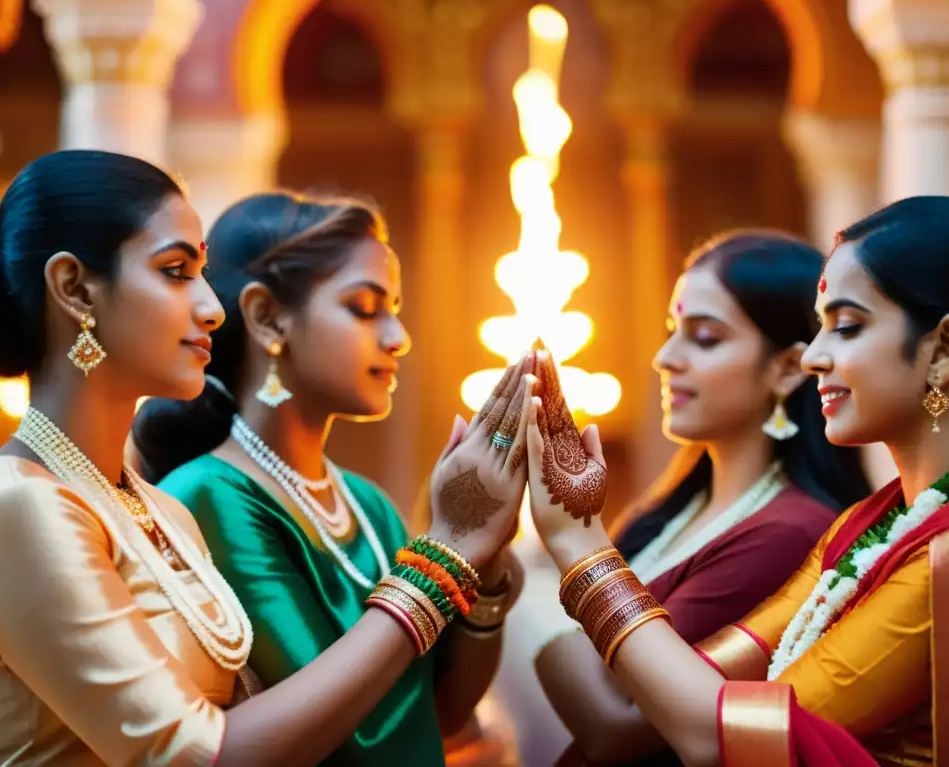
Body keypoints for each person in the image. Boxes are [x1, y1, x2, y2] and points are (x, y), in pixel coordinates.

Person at [0, 150, 530, 766]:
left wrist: (476, 560)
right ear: (74, 287)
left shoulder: (165, 513)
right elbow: (200, 756)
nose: (212, 308)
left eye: (201, 271)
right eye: (175, 270)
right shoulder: (25, 503)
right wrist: (445, 559)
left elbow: (409, 712)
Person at [523, 195, 949, 766]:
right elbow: (700, 681)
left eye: (848, 327)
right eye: (820, 329)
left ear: (944, 350)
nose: (813, 356)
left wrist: (578, 544)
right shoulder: (866, 528)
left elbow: (721, 736)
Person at [131, 191, 526, 766]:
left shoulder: (366, 505)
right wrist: (447, 551)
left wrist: (483, 559)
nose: (398, 337)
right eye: (365, 308)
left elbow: (440, 713)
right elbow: (351, 735)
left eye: (394, 308)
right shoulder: (206, 498)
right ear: (268, 317)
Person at [528, 232, 871, 765]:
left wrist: (539, 592)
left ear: (786, 368)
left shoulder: (788, 533)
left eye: (705, 338)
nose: (666, 358)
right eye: (672, 332)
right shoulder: (668, 508)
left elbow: (613, 725)